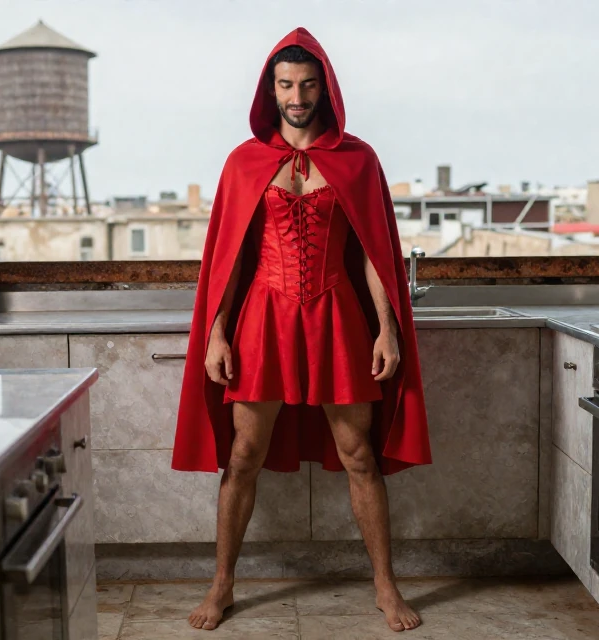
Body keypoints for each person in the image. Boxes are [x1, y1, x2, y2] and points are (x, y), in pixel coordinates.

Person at [172, 27, 432, 633]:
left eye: (308, 84)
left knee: (358, 454)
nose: (297, 95)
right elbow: (230, 256)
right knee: (243, 454)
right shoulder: (244, 161)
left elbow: (373, 252)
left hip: (338, 315)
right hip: (260, 316)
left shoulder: (357, 159)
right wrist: (216, 332)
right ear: (271, 89)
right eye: (286, 84)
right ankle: (222, 585)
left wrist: (387, 330)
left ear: (325, 89)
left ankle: (385, 587)